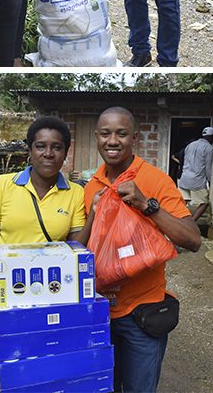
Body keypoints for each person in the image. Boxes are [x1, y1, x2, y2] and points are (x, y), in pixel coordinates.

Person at [84, 106, 201, 393]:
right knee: (103, 387)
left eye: (122, 134)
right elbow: (85, 246)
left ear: (135, 138)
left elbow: (193, 240)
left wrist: (146, 204)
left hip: (142, 313)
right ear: (97, 137)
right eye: (105, 134)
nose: (113, 141)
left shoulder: (156, 180)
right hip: (98, 313)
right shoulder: (91, 187)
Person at [0, 116, 92, 330]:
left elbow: (75, 249)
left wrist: (94, 214)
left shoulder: (75, 193)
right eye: (40, 146)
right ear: (30, 151)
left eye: (57, 147)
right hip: (5, 287)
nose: (48, 153)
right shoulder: (2, 185)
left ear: (65, 154)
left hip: (52, 290)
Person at [177, 126, 213, 223]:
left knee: (183, 201)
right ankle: (192, 223)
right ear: (211, 137)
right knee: (204, 203)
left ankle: (176, 220)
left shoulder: (190, 145)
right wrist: (210, 182)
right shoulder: (209, 148)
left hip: (184, 179)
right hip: (197, 181)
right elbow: (208, 168)